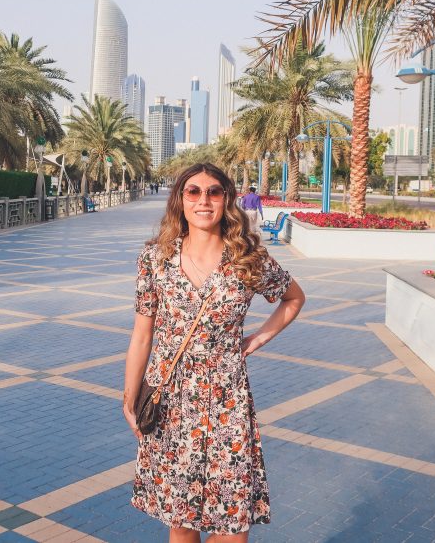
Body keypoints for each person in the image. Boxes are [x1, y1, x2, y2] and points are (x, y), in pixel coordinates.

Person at [123, 163, 306, 542]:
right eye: (194, 192)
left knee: (232, 523)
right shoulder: (155, 259)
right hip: (170, 397)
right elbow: (142, 334)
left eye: (214, 192)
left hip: (227, 399)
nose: (203, 200)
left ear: (227, 200)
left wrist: (255, 339)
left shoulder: (247, 258)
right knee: (181, 520)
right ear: (180, 199)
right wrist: (130, 395)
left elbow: (293, 298)